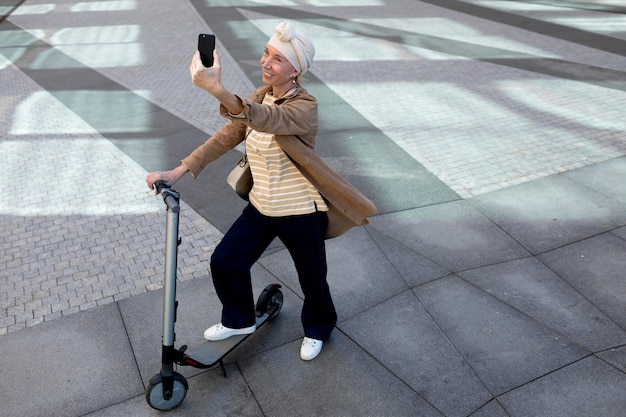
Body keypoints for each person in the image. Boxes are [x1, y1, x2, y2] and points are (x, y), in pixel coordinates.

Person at [146, 22, 376, 361]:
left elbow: (265, 118)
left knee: (312, 279)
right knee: (225, 261)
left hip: (298, 210)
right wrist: (178, 170)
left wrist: (217, 90)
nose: (266, 62)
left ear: (296, 70)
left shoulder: (304, 108)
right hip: (261, 207)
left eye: (278, 59)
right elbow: (227, 135)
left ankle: (318, 328)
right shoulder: (259, 94)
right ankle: (238, 320)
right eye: (266, 53)